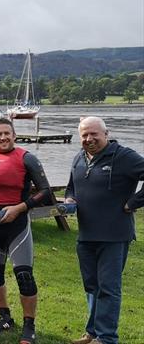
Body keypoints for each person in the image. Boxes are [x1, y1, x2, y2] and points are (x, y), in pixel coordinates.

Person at [0, 118, 53, 344]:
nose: (3, 137)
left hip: (17, 224)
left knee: (24, 275)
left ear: (14, 135)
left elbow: (45, 192)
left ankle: (29, 325)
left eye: (7, 133)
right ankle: (5, 317)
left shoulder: (27, 158)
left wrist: (20, 208)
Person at [65, 116, 144, 344]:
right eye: (84, 135)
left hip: (114, 236)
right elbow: (72, 186)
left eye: (94, 134)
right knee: (92, 286)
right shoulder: (79, 158)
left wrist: (133, 202)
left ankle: (107, 338)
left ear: (106, 134)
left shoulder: (123, 156)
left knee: (108, 288)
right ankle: (92, 333)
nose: (89, 139)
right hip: (86, 235)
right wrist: (70, 199)